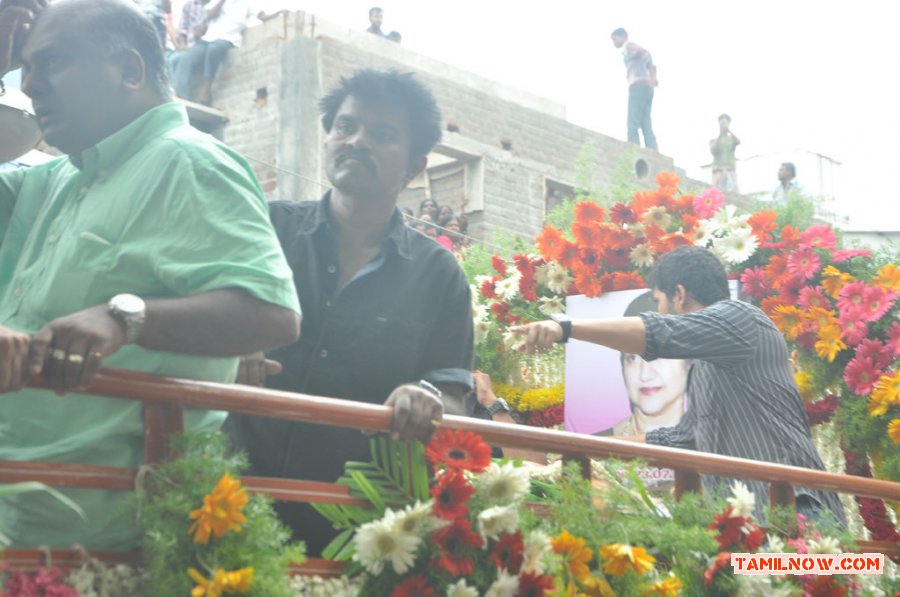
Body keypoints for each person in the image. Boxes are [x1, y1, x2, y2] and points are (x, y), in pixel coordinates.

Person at [0, 0, 301, 549]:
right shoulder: (54, 180)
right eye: (25, 70)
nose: (33, 87)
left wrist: (124, 317)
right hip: (19, 528)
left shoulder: (187, 162)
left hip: (105, 543)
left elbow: (271, 312)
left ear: (131, 71)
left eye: (53, 63)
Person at [224, 69, 475, 555]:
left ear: (414, 165)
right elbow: (201, 318)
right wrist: (228, 342)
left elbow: (453, 389)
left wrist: (425, 395)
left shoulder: (439, 274)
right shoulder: (267, 229)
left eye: (382, 135)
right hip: (226, 504)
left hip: (350, 534)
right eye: (345, 126)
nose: (356, 141)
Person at [514, 246, 845, 526]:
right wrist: (587, 449)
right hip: (756, 525)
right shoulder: (704, 364)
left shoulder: (742, 318)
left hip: (801, 512)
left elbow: (662, 333)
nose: (658, 310)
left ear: (680, 295)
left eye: (658, 300)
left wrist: (566, 329)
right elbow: (683, 438)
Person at [611, 291, 688, 436]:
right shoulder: (593, 449)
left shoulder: (716, 448)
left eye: (659, 354)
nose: (644, 375)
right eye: (632, 358)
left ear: (689, 362)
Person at [171, 0, 275, 104]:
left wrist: (279, 13)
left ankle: (206, 91)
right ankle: (181, 97)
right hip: (208, 38)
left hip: (229, 39)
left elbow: (263, 17)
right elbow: (208, 16)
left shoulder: (249, 3)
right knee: (186, 58)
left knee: (213, 50)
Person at [610, 27, 658, 151]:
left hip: (638, 86)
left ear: (623, 37)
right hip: (647, 87)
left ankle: (634, 149)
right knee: (645, 121)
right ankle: (653, 150)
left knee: (633, 120)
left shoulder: (629, 47)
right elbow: (652, 64)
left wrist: (652, 77)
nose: (614, 43)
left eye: (615, 39)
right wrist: (652, 78)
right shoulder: (629, 49)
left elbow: (646, 54)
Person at [709, 113, 740, 193]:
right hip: (718, 170)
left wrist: (728, 130)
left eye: (725, 123)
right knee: (716, 192)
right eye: (721, 124)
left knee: (733, 192)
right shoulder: (714, 140)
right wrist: (720, 134)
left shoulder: (731, 139)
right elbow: (713, 150)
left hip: (730, 170)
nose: (723, 125)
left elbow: (738, 142)